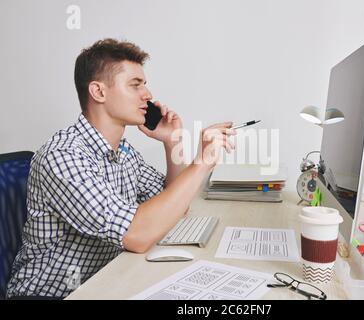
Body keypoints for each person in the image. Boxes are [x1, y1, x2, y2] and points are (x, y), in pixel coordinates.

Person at [6, 38, 235, 299]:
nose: (147, 95)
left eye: (145, 85)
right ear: (99, 92)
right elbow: (137, 235)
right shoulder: (62, 156)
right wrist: (201, 163)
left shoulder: (123, 152)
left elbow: (175, 206)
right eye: (135, 85)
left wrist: (173, 143)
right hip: (54, 295)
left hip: (106, 282)